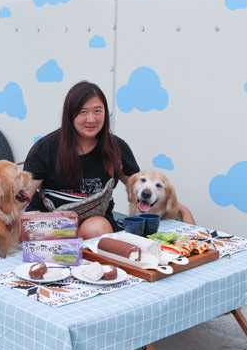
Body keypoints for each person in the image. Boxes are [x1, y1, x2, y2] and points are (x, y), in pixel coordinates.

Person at [23, 80, 192, 239]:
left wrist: (182, 210)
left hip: (95, 222)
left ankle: (93, 267)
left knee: (96, 228)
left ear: (105, 112)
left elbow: (142, 188)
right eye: (83, 112)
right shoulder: (46, 148)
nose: (91, 119)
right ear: (70, 114)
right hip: (51, 221)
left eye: (97, 111)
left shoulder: (117, 148)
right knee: (51, 231)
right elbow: (23, 196)